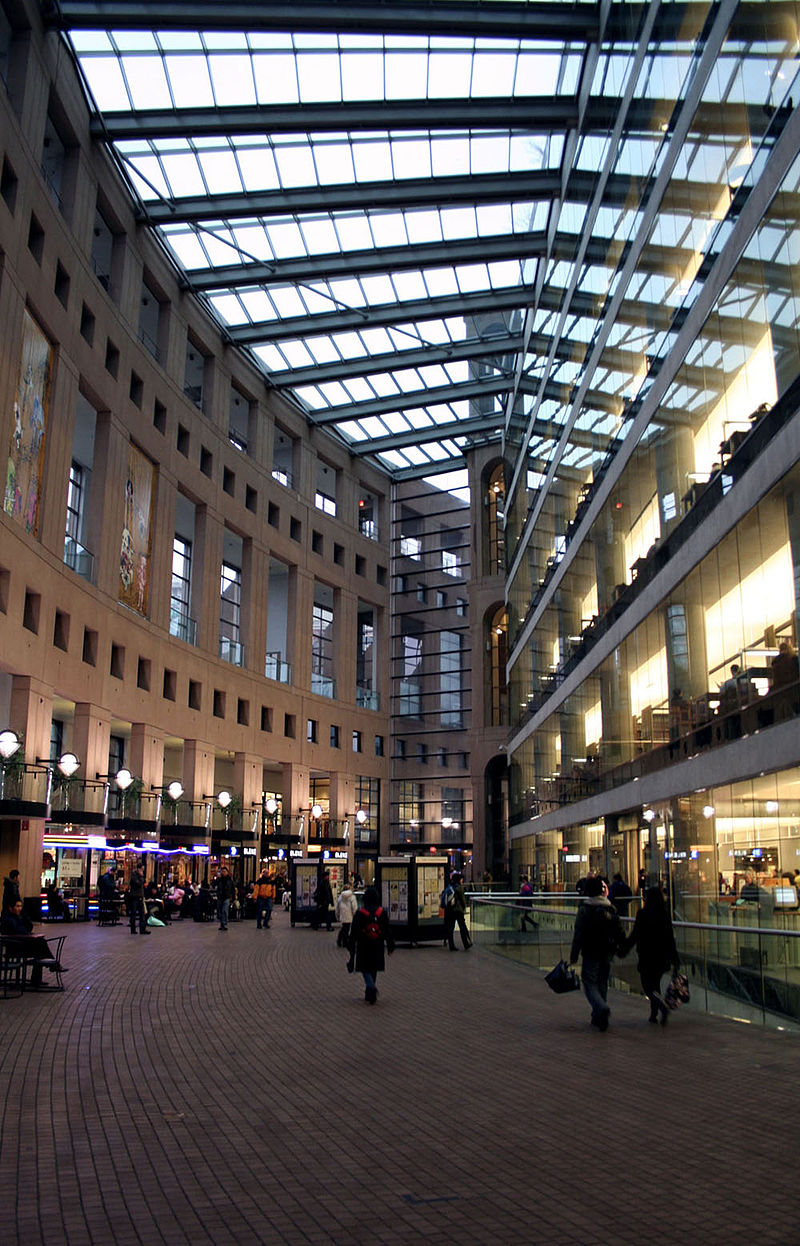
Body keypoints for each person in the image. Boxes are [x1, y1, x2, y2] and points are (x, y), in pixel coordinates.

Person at [569, 874, 626, 1031]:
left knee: (589, 982)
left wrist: (574, 954)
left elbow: (578, 934)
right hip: (608, 951)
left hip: (590, 951)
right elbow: (619, 930)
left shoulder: (585, 909)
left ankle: (601, 1008)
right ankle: (598, 1016)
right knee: (602, 982)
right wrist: (622, 948)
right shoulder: (610, 908)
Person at [624, 886, 679, 1024]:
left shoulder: (642, 914)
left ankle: (660, 1007)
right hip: (662, 956)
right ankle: (654, 1013)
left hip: (646, 955)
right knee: (655, 984)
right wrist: (675, 958)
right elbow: (670, 938)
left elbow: (635, 934)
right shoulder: (664, 914)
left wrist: (625, 948)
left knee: (648, 986)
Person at [1, 898, 66, 988]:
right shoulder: (8, 919)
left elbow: (29, 927)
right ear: (10, 908)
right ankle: (52, 966)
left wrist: (24, 917)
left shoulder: (19, 917)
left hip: (21, 944)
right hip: (15, 946)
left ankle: (40, 977)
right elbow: (19, 931)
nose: (19, 909)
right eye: (17, 906)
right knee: (40, 945)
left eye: (21, 906)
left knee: (40, 946)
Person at [347, 885, 394, 1004]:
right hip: (377, 945)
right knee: (374, 969)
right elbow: (387, 930)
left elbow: (354, 932)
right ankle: (369, 991)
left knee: (365, 968)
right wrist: (390, 945)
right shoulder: (381, 913)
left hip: (364, 946)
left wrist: (351, 945)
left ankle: (371, 988)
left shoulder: (360, 914)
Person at [444, 871, 472, 951]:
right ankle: (466, 944)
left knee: (451, 927)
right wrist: (464, 907)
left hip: (451, 910)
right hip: (458, 910)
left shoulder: (450, 887)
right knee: (462, 927)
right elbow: (462, 900)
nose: (462, 881)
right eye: (461, 879)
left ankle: (451, 945)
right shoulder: (459, 888)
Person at [336, 877, 358, 948]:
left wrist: (337, 915)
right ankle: (344, 942)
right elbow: (354, 907)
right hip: (349, 915)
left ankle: (340, 940)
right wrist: (355, 914)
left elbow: (337, 907)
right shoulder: (352, 897)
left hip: (343, 915)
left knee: (344, 928)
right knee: (347, 929)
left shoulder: (340, 897)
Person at [127, 865, 149, 935]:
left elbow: (143, 883)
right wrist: (141, 877)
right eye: (142, 869)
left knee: (142, 914)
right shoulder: (134, 875)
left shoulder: (140, 875)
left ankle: (142, 929)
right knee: (133, 913)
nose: (143, 871)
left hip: (140, 896)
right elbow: (138, 883)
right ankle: (133, 929)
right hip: (134, 896)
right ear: (139, 869)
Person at [215, 866, 235, 931]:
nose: (223, 873)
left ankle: (224, 924)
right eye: (222, 871)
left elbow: (232, 889)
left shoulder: (230, 880)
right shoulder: (219, 880)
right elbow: (214, 885)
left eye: (224, 871)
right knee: (220, 911)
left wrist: (233, 897)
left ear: (227, 872)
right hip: (220, 897)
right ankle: (221, 924)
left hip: (226, 897)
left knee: (225, 911)